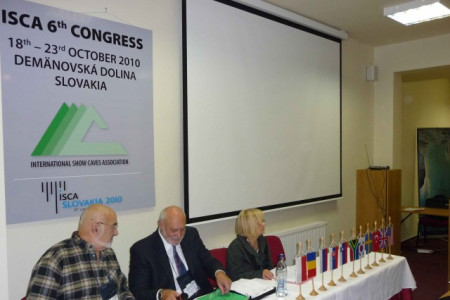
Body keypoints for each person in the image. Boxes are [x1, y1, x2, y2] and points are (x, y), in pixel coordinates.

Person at [26, 204, 134, 300]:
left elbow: (122, 289)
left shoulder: (108, 253)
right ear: (96, 228)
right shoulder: (55, 259)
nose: (116, 232)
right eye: (113, 227)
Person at [129, 206, 232, 300]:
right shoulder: (142, 250)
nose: (178, 235)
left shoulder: (191, 235)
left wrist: (219, 273)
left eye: (182, 229)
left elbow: (207, 259)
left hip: (202, 296)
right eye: (173, 230)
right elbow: (138, 291)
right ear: (160, 225)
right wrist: (161, 294)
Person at [226, 208, 274, 281]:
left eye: (263, 221)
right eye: (261, 222)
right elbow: (234, 276)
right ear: (250, 226)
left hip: (264, 283)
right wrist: (260, 273)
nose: (264, 224)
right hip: (246, 287)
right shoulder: (236, 247)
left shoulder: (262, 240)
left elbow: (270, 265)